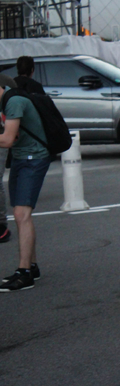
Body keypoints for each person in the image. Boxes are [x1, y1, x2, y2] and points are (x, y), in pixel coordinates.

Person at [0, 74, 49, 292]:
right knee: (21, 215)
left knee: (21, 214)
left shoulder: (14, 101)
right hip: (22, 158)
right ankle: (31, 266)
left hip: (33, 159)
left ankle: (24, 273)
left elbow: (8, 139)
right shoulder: (8, 102)